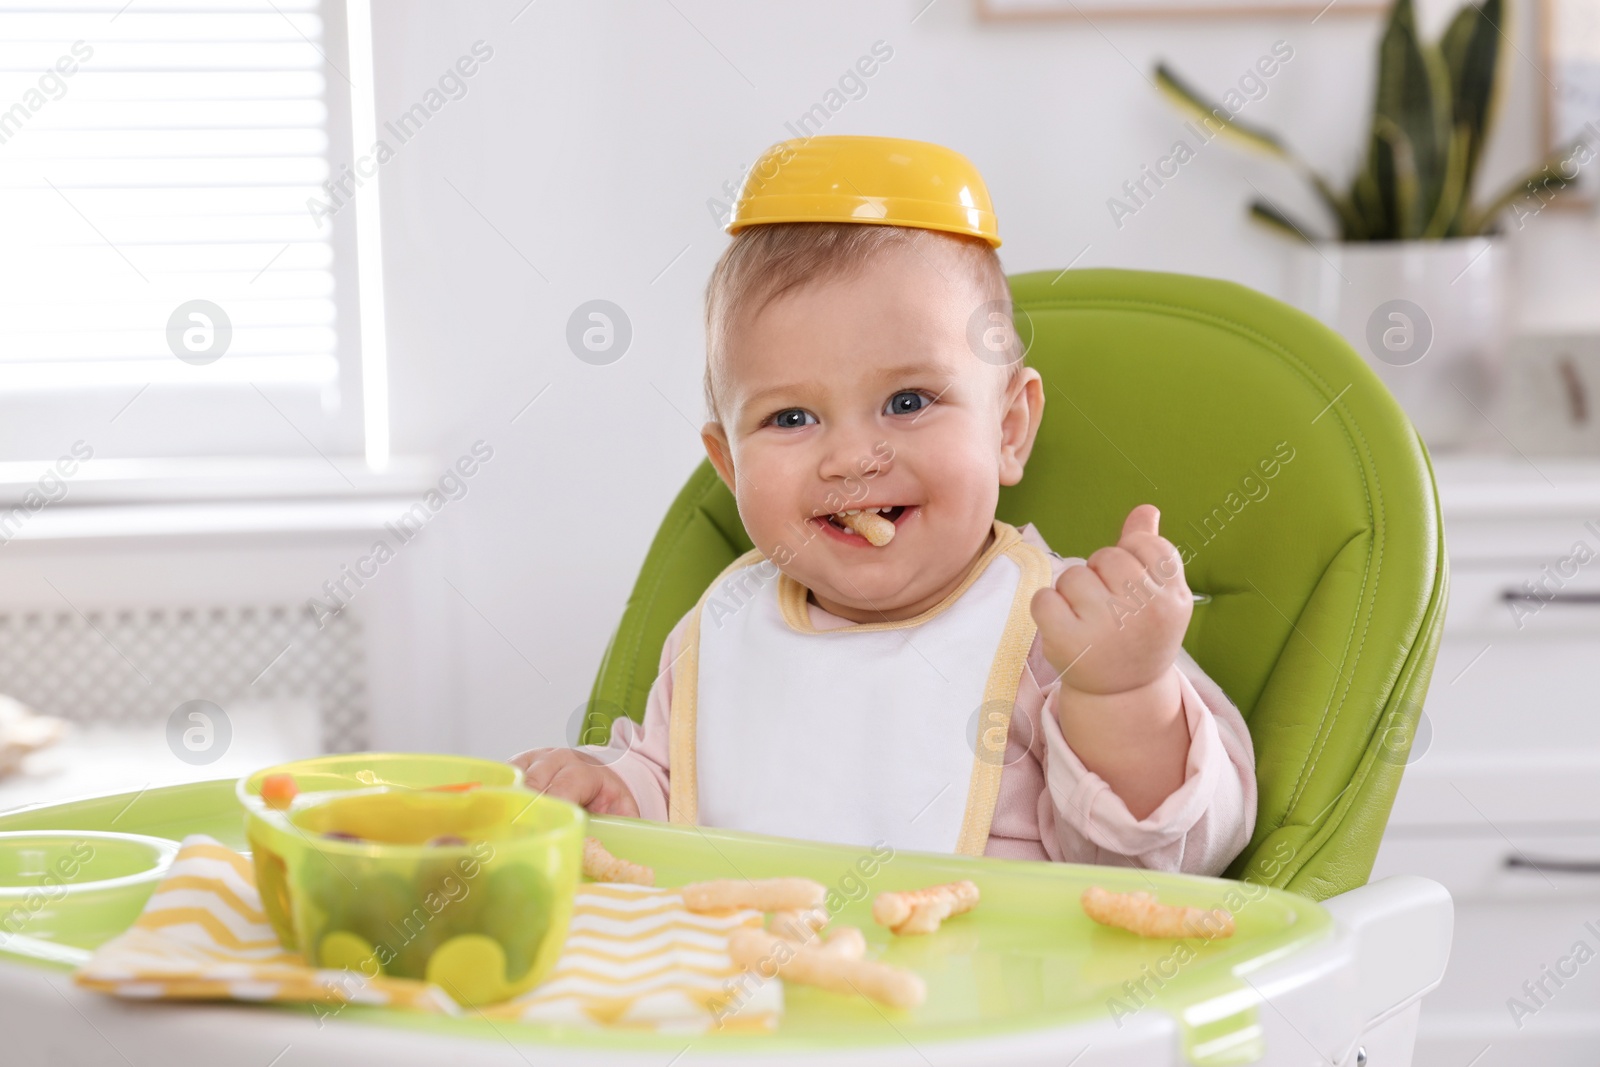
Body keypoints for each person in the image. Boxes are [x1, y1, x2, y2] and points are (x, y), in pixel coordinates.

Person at [511, 136, 1255, 873]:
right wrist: (614, 791)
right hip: (747, 984)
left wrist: (1122, 694)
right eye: (792, 418)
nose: (848, 458)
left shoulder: (1059, 634)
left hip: (989, 988)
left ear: (1008, 428)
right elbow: (674, 794)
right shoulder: (722, 631)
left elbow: (1175, 862)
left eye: (907, 401)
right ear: (729, 466)